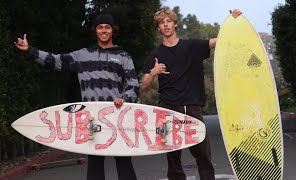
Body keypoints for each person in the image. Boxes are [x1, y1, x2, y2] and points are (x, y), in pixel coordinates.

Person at [15, 13, 139, 180]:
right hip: (92, 118)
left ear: (113, 30)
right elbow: (56, 61)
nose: (103, 30)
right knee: (95, 163)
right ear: (95, 31)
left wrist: (125, 98)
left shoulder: (123, 56)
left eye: (107, 27)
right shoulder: (83, 55)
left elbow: (133, 85)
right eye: (100, 27)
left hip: (116, 117)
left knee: (124, 162)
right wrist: (30, 51)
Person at [140, 8, 242, 180]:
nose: (165, 25)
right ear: (159, 28)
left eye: (168, 21)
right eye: (161, 23)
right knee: (173, 158)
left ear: (175, 24)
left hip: (191, 108)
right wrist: (154, 72)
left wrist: (234, 20)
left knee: (203, 156)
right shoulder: (156, 55)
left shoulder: (191, 46)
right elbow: (143, 86)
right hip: (167, 110)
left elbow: (220, 40)